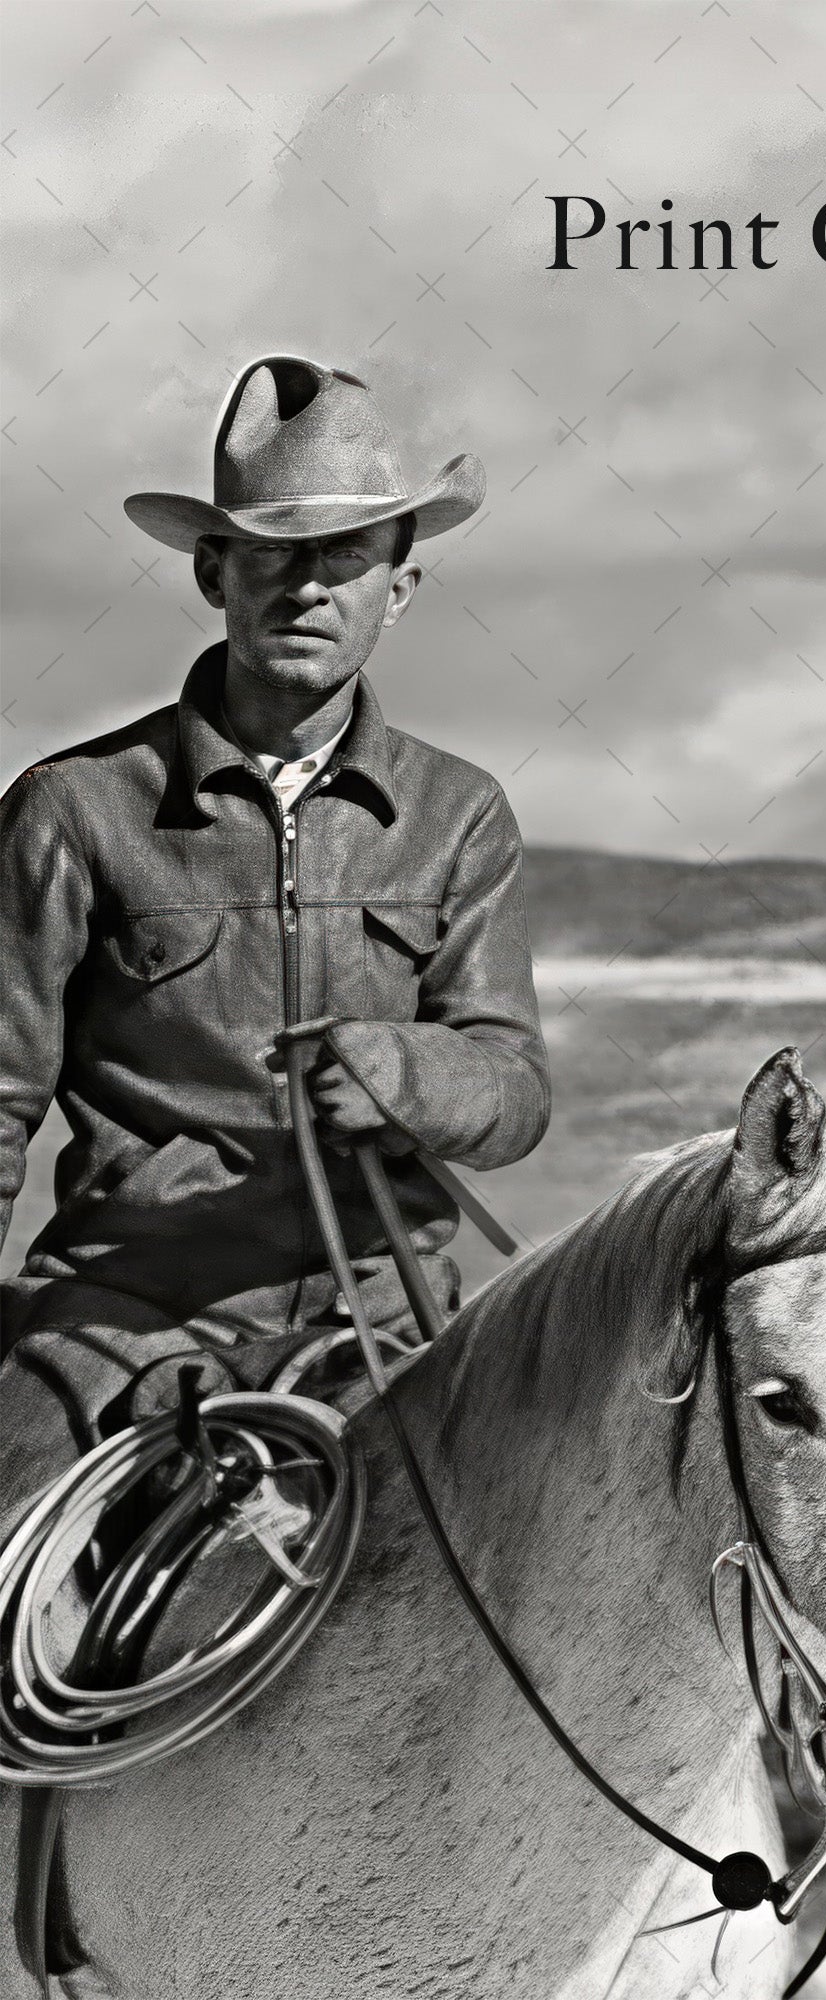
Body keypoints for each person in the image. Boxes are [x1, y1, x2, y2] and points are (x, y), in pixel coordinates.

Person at [0, 354, 550, 1462]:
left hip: (390, 1327)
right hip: (121, 1320)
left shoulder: (459, 814)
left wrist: (411, 1075)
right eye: (273, 552)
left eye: (346, 555)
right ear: (216, 571)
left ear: (397, 589)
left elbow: (516, 1088)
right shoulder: (75, 806)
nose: (308, 585)